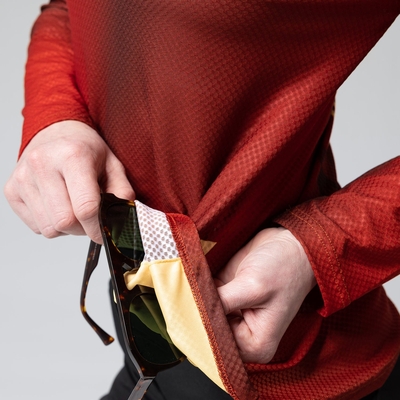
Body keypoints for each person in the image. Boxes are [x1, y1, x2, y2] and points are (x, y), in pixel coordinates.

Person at [4, 1, 400, 398]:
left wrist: (321, 243)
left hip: (281, 364)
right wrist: (56, 115)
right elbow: (68, 10)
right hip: (148, 325)